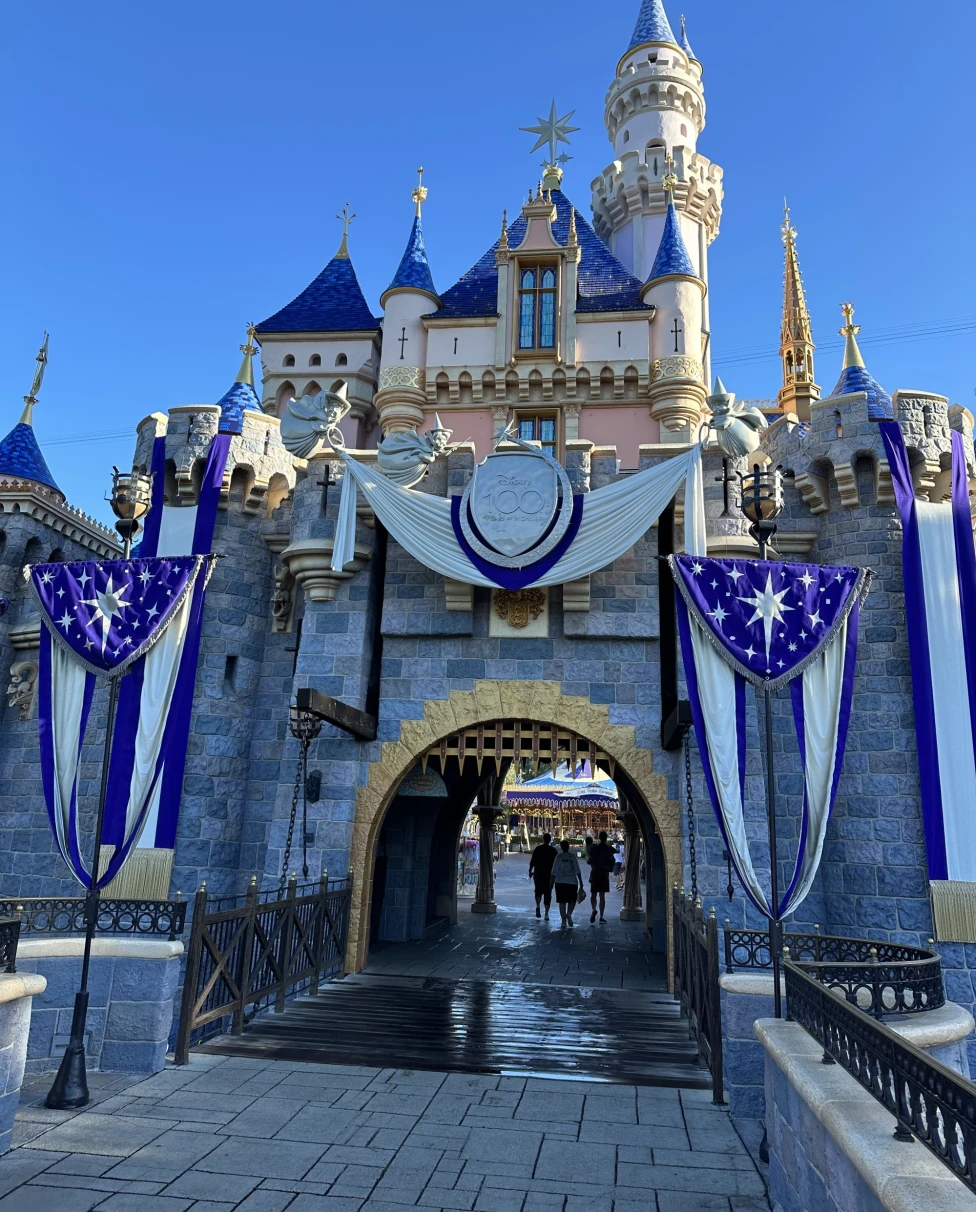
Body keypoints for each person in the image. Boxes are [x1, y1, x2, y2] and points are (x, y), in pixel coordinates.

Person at [550, 839, 584, 928]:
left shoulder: (558, 857)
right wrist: (581, 882)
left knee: (562, 902)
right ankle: (569, 914)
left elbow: (554, 871)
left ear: (561, 847)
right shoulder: (572, 856)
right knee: (572, 900)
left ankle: (563, 922)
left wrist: (551, 884)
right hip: (572, 882)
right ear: (568, 847)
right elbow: (577, 870)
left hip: (560, 882)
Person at [588, 830, 616, 923]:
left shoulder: (595, 848)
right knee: (602, 895)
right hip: (604, 873)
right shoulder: (608, 848)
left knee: (593, 894)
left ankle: (593, 909)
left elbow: (590, 860)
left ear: (599, 838)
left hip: (595, 872)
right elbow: (616, 851)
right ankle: (601, 915)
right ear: (606, 838)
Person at [528, 832, 557, 919]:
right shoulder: (553, 851)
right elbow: (556, 864)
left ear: (543, 839)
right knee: (548, 893)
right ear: (550, 840)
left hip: (538, 873)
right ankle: (546, 914)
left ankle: (538, 906)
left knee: (538, 891)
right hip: (549, 875)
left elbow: (532, 861)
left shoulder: (538, 849)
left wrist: (530, 871)